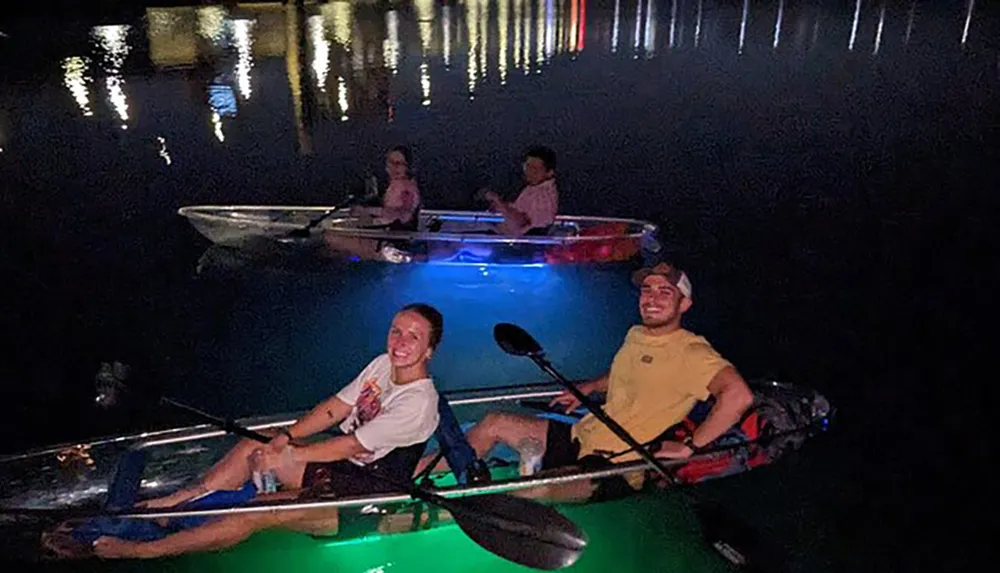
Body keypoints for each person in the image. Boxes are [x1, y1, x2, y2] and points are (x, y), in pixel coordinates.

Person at [71, 303, 444, 559]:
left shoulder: (419, 402)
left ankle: (142, 550)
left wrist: (289, 454)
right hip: (340, 472)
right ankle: (178, 502)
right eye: (396, 331)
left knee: (257, 509)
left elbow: (348, 445)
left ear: (429, 349)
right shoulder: (381, 364)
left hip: (366, 498)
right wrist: (285, 436)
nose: (400, 343)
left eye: (414, 337)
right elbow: (334, 408)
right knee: (256, 438)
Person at [415, 262, 754, 500]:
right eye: (647, 290)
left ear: (685, 304)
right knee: (494, 422)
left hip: (616, 465)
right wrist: (592, 387)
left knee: (531, 489)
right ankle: (406, 478)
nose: (651, 298)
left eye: (665, 292)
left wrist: (689, 447)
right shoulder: (638, 334)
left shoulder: (693, 352)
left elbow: (738, 395)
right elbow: (628, 373)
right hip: (582, 434)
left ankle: (458, 508)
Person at [323, 146, 422, 261]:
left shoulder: (406, 188)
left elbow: (403, 215)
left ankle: (386, 254)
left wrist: (367, 211)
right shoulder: (395, 184)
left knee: (332, 237)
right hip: (382, 233)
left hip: (390, 238)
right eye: (391, 162)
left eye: (399, 163)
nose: (394, 167)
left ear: (408, 166)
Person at [481, 145, 559, 237]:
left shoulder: (543, 197)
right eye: (527, 166)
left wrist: (498, 202)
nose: (529, 172)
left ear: (549, 172)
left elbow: (520, 225)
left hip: (517, 244)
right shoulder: (533, 189)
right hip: (503, 236)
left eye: (535, 169)